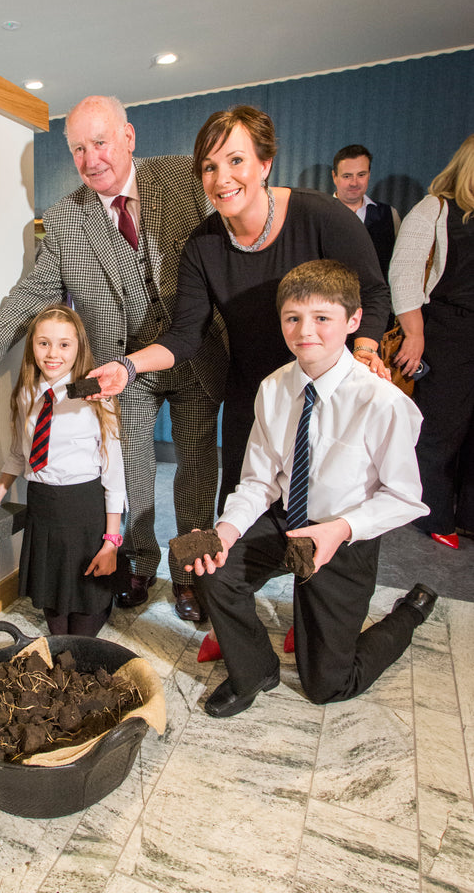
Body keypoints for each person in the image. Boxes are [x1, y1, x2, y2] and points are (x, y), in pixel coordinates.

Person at [0, 95, 227, 622]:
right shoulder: (65, 220)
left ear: (128, 138)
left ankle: (191, 574)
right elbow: (34, 291)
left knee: (197, 462)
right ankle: (140, 563)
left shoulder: (180, 180)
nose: (90, 159)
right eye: (78, 149)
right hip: (118, 370)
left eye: (100, 143)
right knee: (131, 465)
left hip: (194, 349)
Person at [90, 105, 391, 516]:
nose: (222, 178)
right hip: (253, 397)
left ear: (265, 164)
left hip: (329, 392)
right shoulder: (203, 244)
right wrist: (127, 367)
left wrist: (366, 351)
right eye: (209, 167)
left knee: (324, 520)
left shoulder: (320, 216)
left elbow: (372, 293)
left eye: (236, 161)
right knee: (240, 521)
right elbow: (184, 335)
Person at [186, 259, 435, 717]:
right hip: (285, 521)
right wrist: (226, 530)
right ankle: (255, 669)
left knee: (329, 685)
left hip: (342, 536)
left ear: (353, 321)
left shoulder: (383, 402)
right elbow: (259, 480)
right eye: (293, 318)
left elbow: (405, 497)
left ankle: (410, 612)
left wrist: (340, 530)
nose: (306, 331)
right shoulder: (273, 388)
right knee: (208, 565)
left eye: (323, 318)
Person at [0, 306, 126, 637]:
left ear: (79, 347)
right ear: (32, 346)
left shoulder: (96, 397)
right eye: (44, 343)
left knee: (83, 620)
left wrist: (111, 542)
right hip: (43, 509)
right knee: (55, 617)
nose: (53, 354)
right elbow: (18, 455)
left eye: (64, 345)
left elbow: (114, 475)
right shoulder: (26, 393)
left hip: (84, 511)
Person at [389, 134, 474, 550]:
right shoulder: (436, 208)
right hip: (447, 330)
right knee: (440, 428)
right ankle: (435, 514)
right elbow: (403, 275)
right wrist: (415, 334)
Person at [332, 144, 401, 280]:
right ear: (335, 177)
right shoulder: (318, 214)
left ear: (369, 175)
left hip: (375, 299)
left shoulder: (389, 215)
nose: (354, 183)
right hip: (328, 299)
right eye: (347, 176)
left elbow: (399, 265)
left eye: (361, 175)